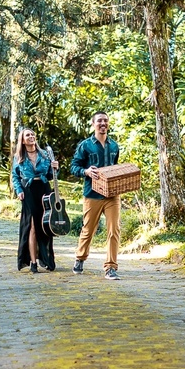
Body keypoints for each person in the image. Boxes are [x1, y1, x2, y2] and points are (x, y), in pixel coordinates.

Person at [68, 111, 122, 280]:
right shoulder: (85, 145)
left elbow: (115, 167)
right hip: (92, 194)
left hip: (112, 195)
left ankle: (111, 267)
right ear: (93, 124)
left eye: (105, 120)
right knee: (88, 229)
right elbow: (73, 167)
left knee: (114, 230)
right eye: (99, 121)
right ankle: (80, 258)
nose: (103, 123)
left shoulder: (114, 146)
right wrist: (86, 171)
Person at [11, 128, 58, 273]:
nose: (31, 137)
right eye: (28, 135)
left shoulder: (44, 154)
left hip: (44, 190)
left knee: (44, 226)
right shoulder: (18, 156)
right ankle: (32, 262)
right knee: (31, 227)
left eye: (32, 134)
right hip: (28, 191)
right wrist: (19, 191)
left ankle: (46, 258)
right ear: (22, 140)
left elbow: (51, 175)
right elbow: (15, 176)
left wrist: (56, 168)